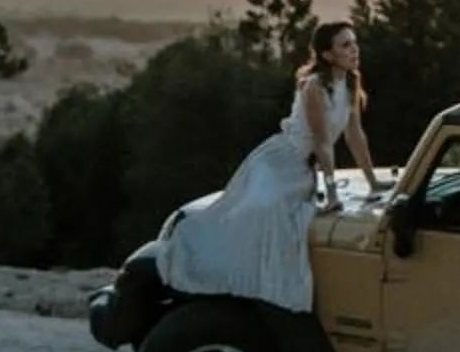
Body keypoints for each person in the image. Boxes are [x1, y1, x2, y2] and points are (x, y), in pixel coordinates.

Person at [159, 19, 380, 312]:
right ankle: (196, 254)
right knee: (259, 212)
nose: (354, 50)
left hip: (304, 169)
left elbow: (354, 135)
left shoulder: (351, 82)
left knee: (285, 226)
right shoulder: (314, 86)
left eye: (354, 43)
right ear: (327, 55)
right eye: (345, 45)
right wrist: (333, 193)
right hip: (280, 162)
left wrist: (373, 181)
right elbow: (322, 141)